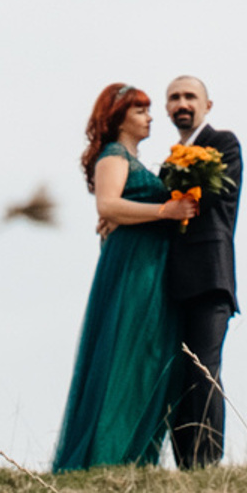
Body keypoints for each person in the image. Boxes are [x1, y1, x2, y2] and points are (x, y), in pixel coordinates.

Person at [51, 83, 196, 473]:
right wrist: (165, 212)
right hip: (132, 266)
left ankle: (135, 456)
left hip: (150, 264)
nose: (150, 118)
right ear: (119, 118)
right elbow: (108, 204)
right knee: (126, 351)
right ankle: (107, 455)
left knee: (150, 354)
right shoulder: (113, 156)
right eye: (140, 111)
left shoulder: (135, 161)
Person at [161, 74, 242, 469]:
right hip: (171, 284)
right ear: (167, 108)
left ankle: (207, 462)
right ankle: (185, 464)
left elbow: (215, 196)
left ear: (207, 105)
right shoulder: (167, 162)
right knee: (176, 374)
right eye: (175, 98)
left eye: (190, 96)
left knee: (203, 369)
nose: (182, 103)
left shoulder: (223, 144)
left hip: (210, 278)